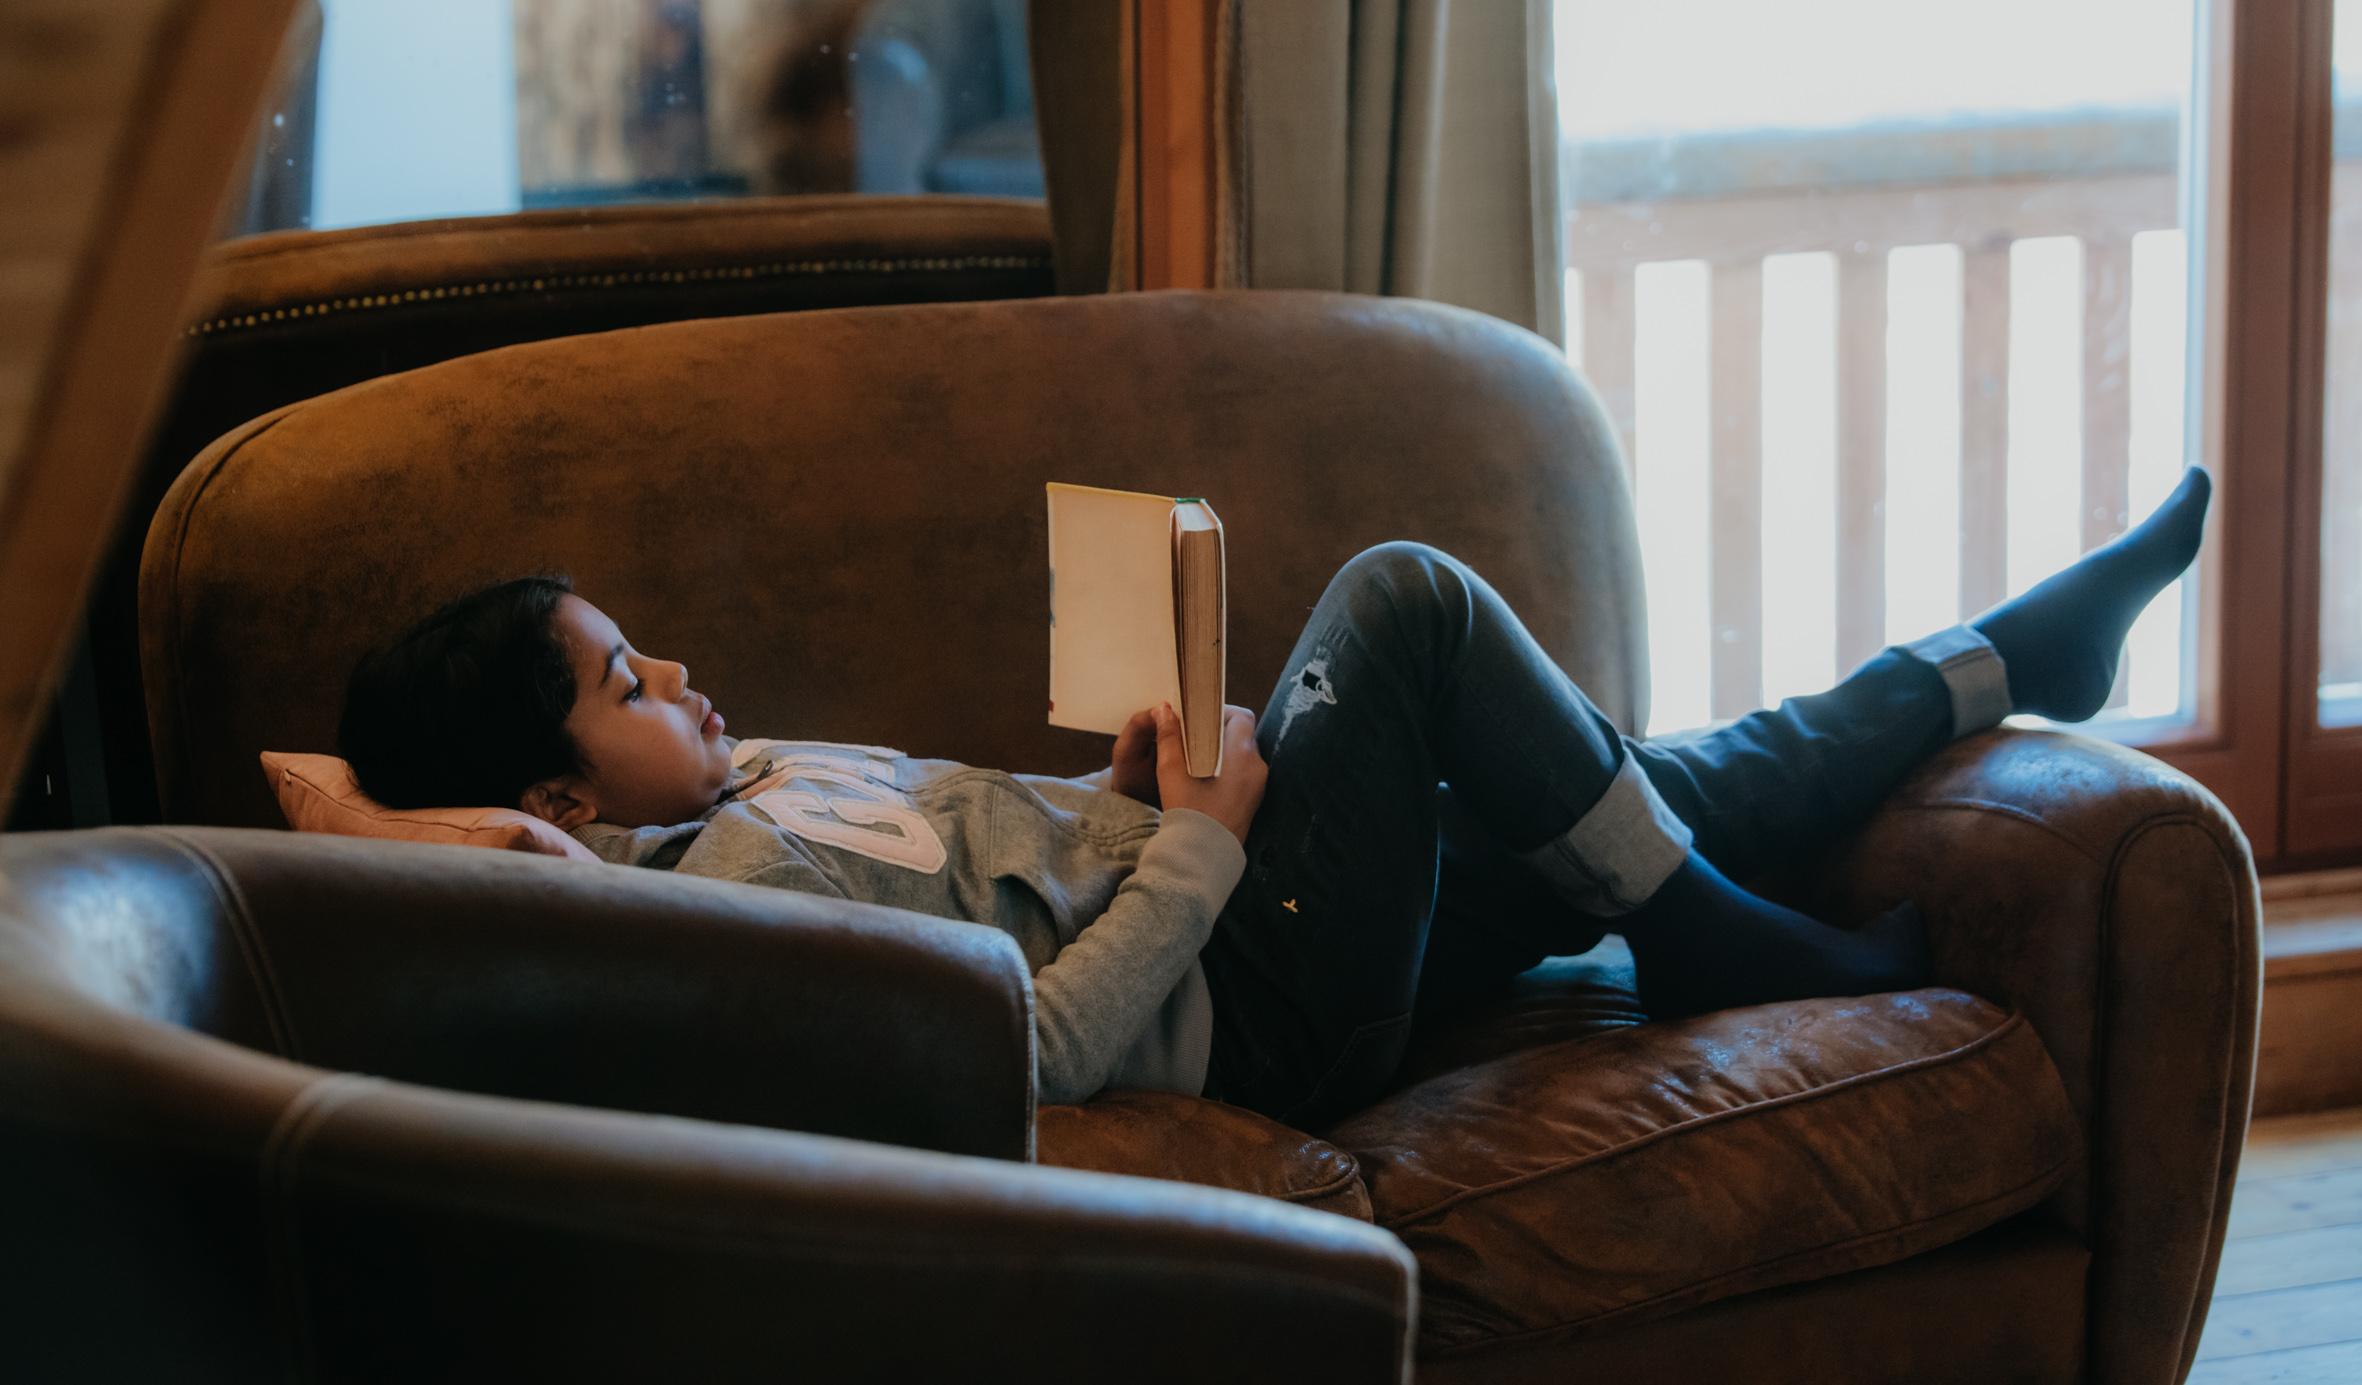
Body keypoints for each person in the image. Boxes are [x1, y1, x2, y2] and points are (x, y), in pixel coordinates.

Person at [337, 467, 2212, 1130]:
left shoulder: (765, 775)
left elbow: (1021, 855)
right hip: (1266, 1011)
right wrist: (1218, 838)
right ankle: (1714, 941)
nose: (673, 677)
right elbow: (1046, 1044)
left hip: (1234, 894)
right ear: (557, 806)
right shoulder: (738, 903)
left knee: (1643, 788)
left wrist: (1138, 787)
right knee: (1400, 595)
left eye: (644, 648)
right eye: (620, 685)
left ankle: (1996, 665)